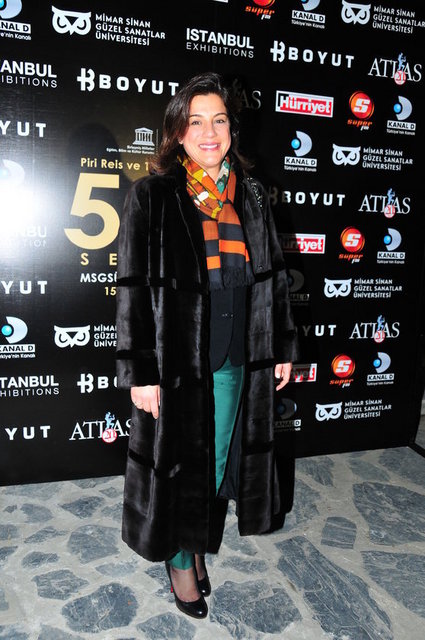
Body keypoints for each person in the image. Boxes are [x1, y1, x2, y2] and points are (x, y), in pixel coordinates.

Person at [116, 72, 298, 619]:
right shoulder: (153, 195)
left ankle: (192, 545)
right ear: (177, 132)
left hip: (237, 353)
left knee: (215, 467)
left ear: (231, 129)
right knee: (184, 470)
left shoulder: (251, 193)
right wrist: (141, 372)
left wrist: (279, 347)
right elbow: (133, 289)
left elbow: (272, 278)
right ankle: (180, 561)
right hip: (177, 361)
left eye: (219, 120)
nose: (209, 132)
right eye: (196, 122)